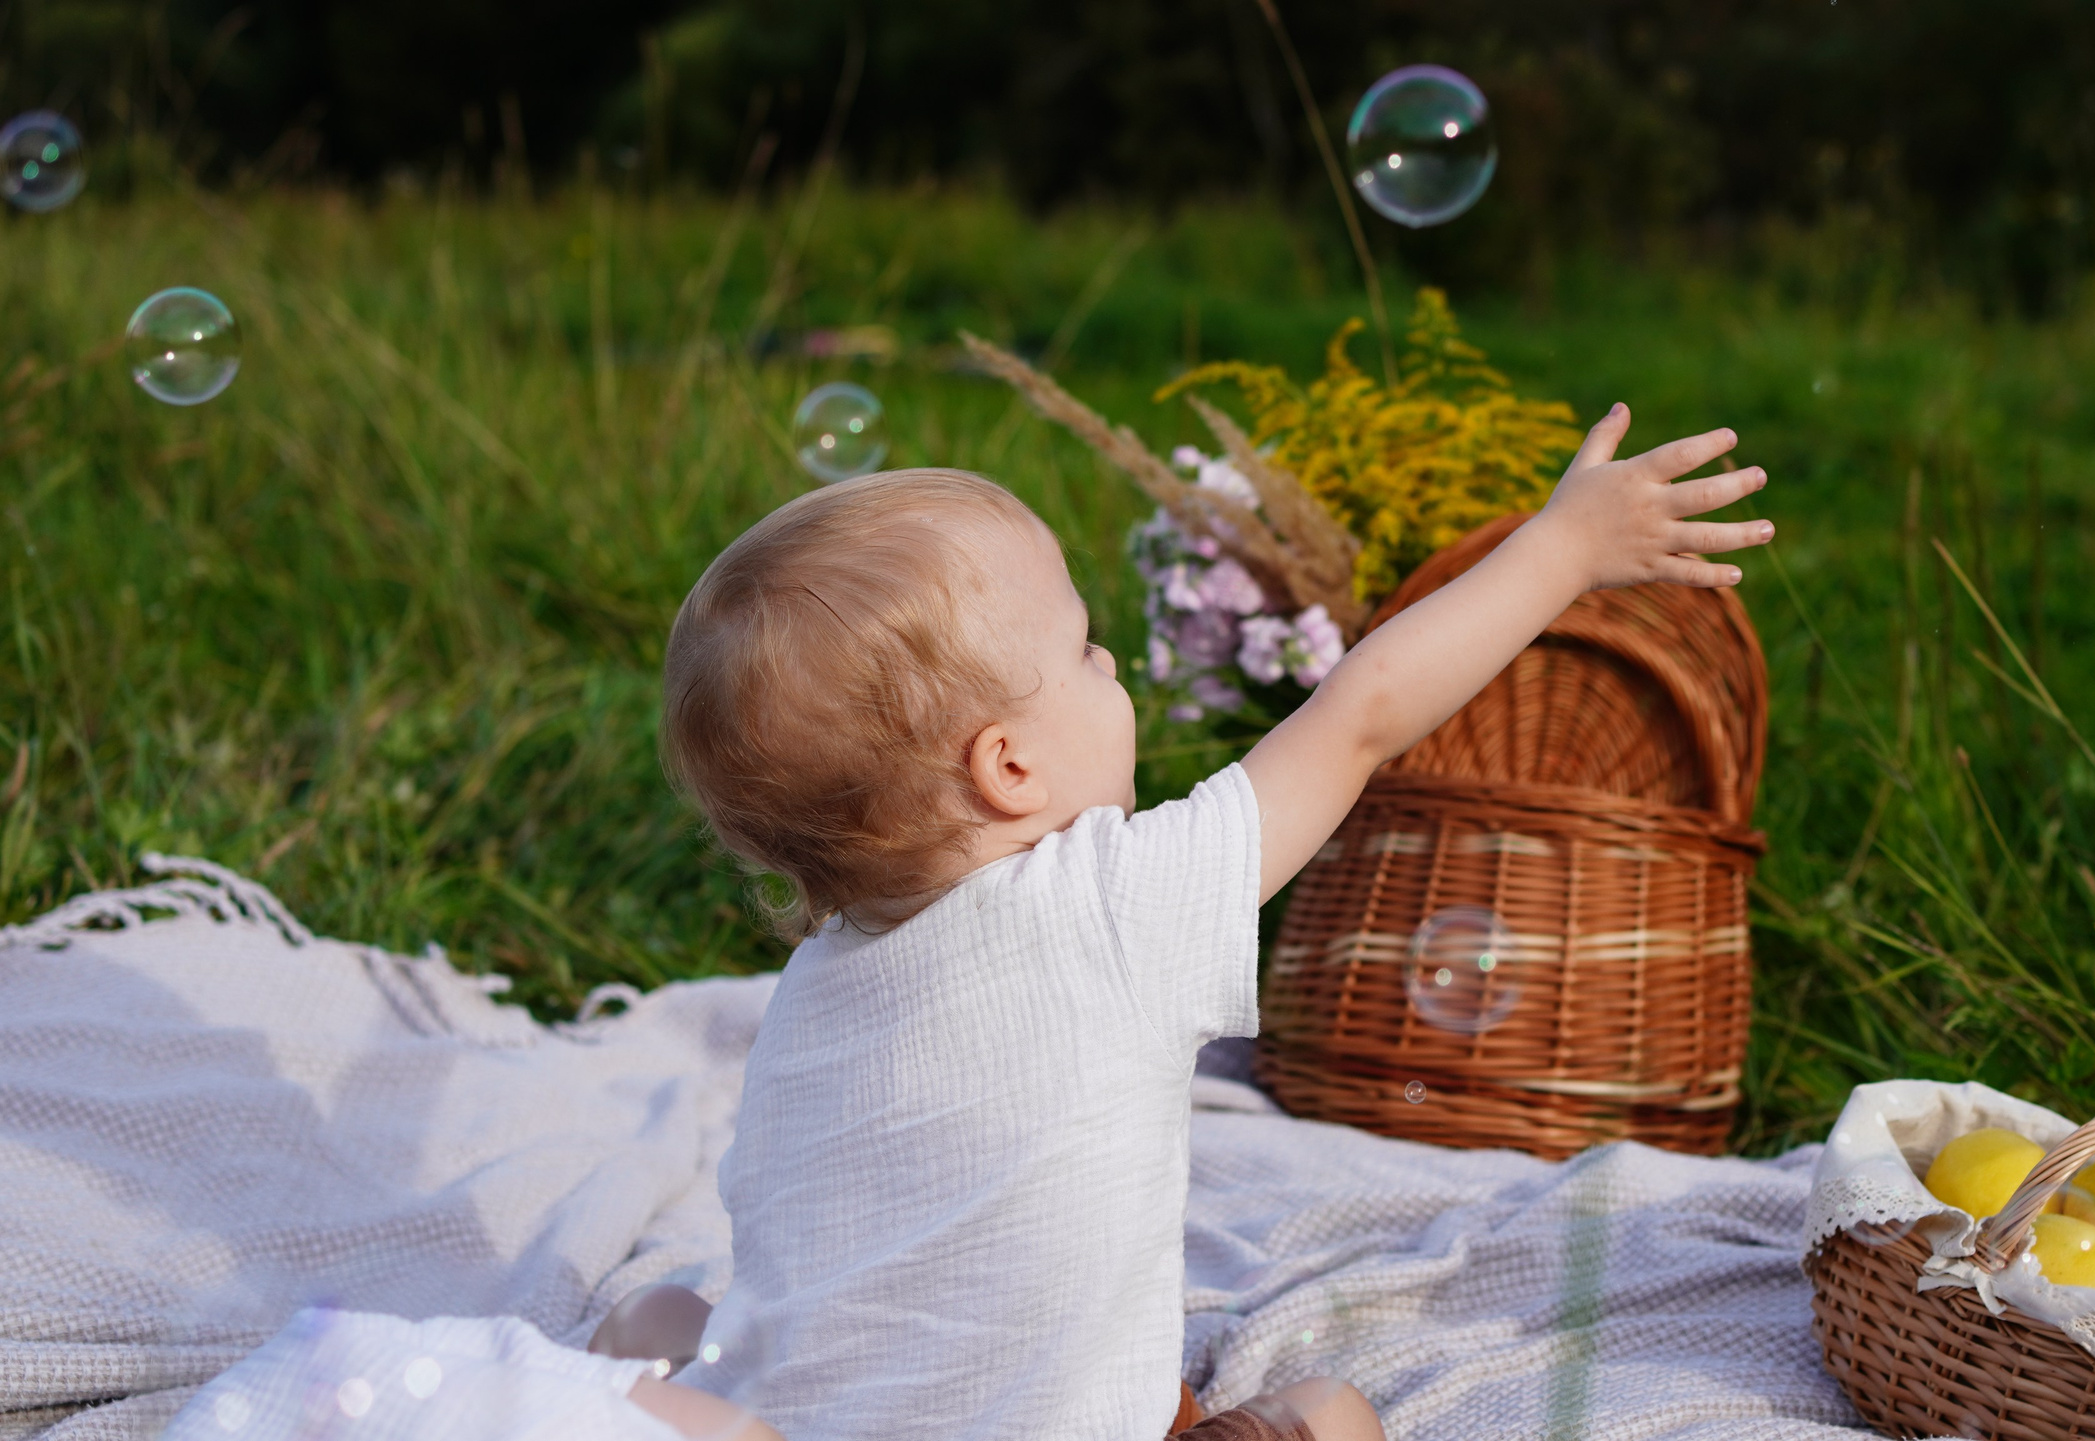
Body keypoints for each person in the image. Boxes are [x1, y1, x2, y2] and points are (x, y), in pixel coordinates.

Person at [657, 404, 1773, 1441]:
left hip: (800, 1422)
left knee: (661, 1321)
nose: (1110, 664)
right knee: (1334, 1411)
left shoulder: (811, 991)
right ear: (1010, 767)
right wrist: (1563, 550)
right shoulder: (1115, 905)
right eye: (1084, 650)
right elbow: (1362, 716)